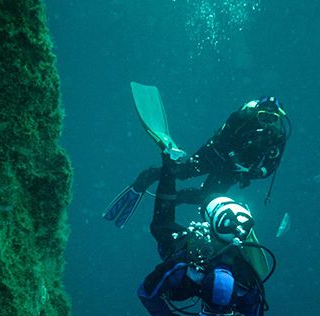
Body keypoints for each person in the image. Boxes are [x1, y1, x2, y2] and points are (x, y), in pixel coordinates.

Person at [136, 155, 273, 316]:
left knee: (163, 224)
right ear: (200, 280)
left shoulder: (246, 281)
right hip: (188, 246)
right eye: (210, 307)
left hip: (224, 239)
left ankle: (177, 170)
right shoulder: (185, 263)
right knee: (161, 226)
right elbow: (146, 291)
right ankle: (169, 168)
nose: (211, 312)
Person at [104, 95, 291, 228]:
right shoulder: (241, 118)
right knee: (183, 173)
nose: (266, 122)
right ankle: (151, 175)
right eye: (263, 116)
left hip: (234, 171)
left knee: (206, 199)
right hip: (215, 155)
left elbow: (272, 165)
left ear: (278, 119)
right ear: (256, 112)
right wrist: (232, 157)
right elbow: (223, 138)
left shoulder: (278, 137)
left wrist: (255, 173)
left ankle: (170, 201)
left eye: (271, 118)